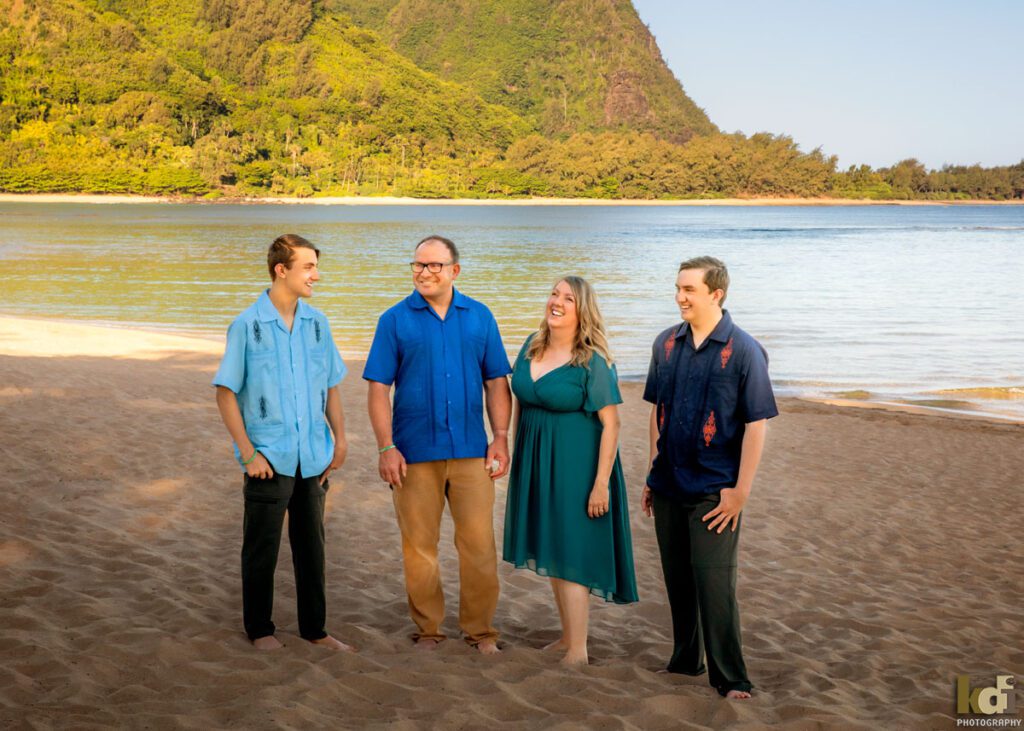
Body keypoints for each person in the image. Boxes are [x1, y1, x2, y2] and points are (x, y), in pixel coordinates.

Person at [364, 235, 512, 655]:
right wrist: (385, 447)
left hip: (470, 450)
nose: (425, 273)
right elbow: (378, 389)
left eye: (434, 266)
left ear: (454, 271)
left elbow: (496, 382)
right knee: (419, 548)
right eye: (418, 265)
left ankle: (480, 632)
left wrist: (500, 437)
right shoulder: (394, 320)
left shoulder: (480, 317)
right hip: (413, 455)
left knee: (479, 545)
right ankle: (429, 630)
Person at [641, 256, 777, 698]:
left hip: (715, 492)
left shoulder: (744, 350)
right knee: (678, 581)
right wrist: (650, 471)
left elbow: (757, 424)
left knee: (715, 585)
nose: (679, 297)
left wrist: (740, 492)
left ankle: (732, 677)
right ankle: (685, 662)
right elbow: (656, 413)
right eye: (678, 288)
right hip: (668, 485)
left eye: (689, 290)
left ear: (716, 294)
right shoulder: (665, 344)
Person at [212, 234, 353, 652]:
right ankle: (260, 630)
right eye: (308, 267)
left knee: (312, 549)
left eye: (315, 266)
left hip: (313, 455)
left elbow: (332, 387)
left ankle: (315, 630)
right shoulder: (246, 325)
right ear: (281, 270)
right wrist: (249, 452)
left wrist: (340, 441)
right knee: (261, 550)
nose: (316, 274)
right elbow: (225, 392)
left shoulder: (318, 324)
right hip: (268, 459)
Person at [503, 276, 638, 666]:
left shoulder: (592, 360)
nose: (557, 302)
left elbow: (611, 424)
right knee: (554, 549)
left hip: (577, 467)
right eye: (554, 294)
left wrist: (600, 485)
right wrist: (513, 450)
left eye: (568, 298)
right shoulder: (532, 344)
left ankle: (578, 650)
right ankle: (566, 637)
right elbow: (520, 406)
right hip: (535, 461)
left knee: (572, 554)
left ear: (583, 311)